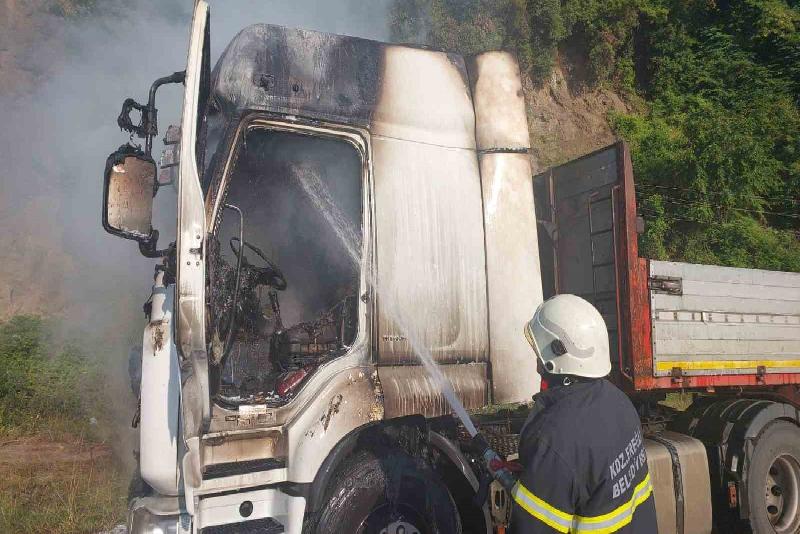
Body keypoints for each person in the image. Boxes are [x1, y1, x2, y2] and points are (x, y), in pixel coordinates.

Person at [509, 294, 658, 534]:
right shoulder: (619, 402)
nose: (536, 359)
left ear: (555, 356)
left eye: (538, 352)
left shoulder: (555, 440)